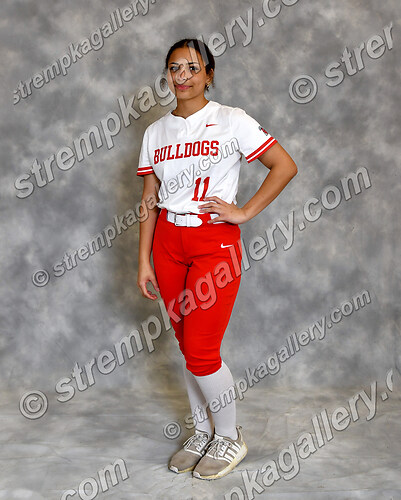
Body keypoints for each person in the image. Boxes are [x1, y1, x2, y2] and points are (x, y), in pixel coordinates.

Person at [136, 38, 298, 480]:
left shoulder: (231, 120)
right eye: (174, 68)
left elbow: (284, 166)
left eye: (193, 67)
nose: (182, 76)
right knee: (187, 346)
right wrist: (144, 259)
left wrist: (244, 212)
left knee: (202, 351)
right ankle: (203, 430)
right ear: (167, 75)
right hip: (168, 243)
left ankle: (228, 436)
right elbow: (149, 199)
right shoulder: (155, 132)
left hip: (213, 242)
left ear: (209, 74)